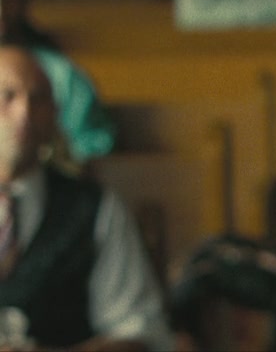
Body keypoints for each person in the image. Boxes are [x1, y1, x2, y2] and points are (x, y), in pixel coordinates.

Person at [0, 43, 171, 351]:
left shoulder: (93, 208)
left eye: (38, 99)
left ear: (54, 114)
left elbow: (140, 332)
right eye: (7, 96)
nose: (24, 112)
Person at [0, 0, 114, 162]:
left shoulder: (62, 76)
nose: (0, 11)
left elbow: (94, 150)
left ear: (23, 1)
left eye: (7, 0)